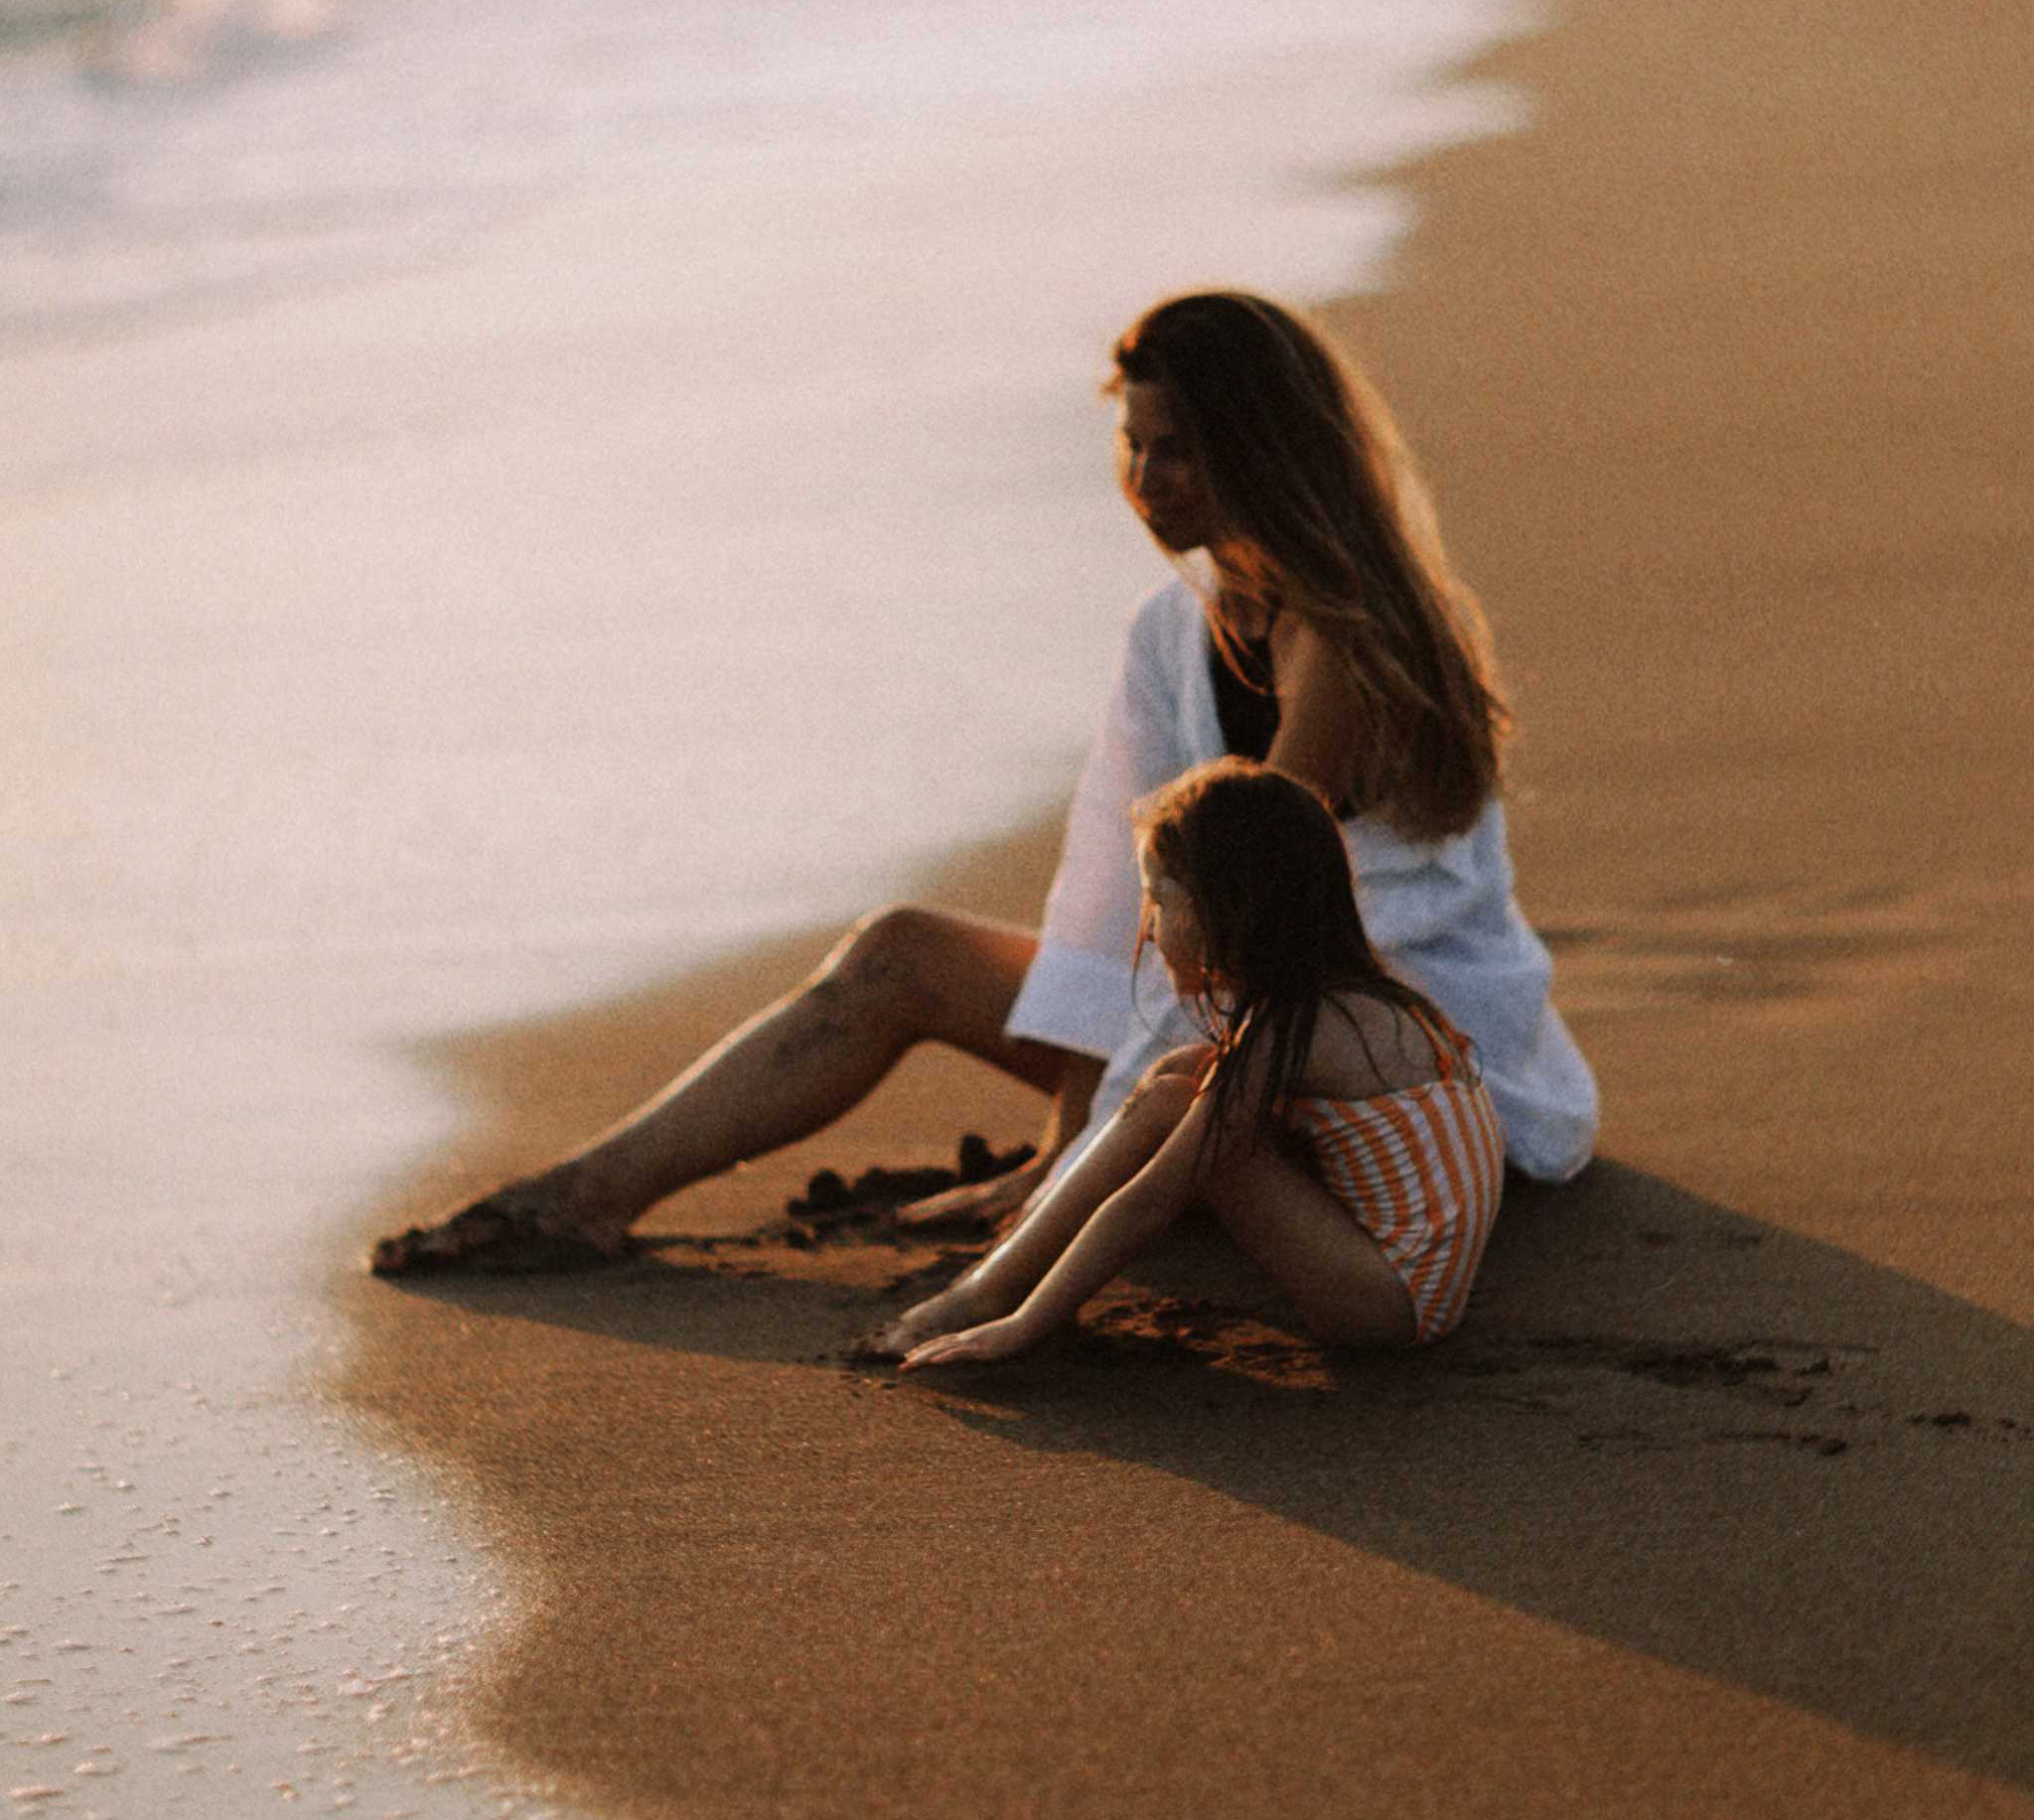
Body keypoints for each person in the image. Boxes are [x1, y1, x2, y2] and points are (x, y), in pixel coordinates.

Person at [370, 289, 1592, 1281]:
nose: (1148, 477)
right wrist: (1066, 1133)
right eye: (1134, 442)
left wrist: (1070, 1177)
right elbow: (1121, 899)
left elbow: (1267, 933)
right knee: (897, 952)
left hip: (1388, 1045)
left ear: (1262, 450)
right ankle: (584, 1196)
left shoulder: (1346, 636)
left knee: (1159, 1101)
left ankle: (1148, 1185)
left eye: (1183, 448)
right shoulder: (1171, 630)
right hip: (1232, 1011)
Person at [865, 759, 1505, 1364]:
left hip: (1389, 1307)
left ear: (1225, 910)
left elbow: (1151, 1199)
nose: (1147, 930)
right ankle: (997, 1284)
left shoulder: (1291, 1028)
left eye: (1160, 902)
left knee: (1176, 1107)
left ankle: (990, 1294)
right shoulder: (1358, 997)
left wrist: (1020, 1329)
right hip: (1417, 1283)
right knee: (1184, 1074)